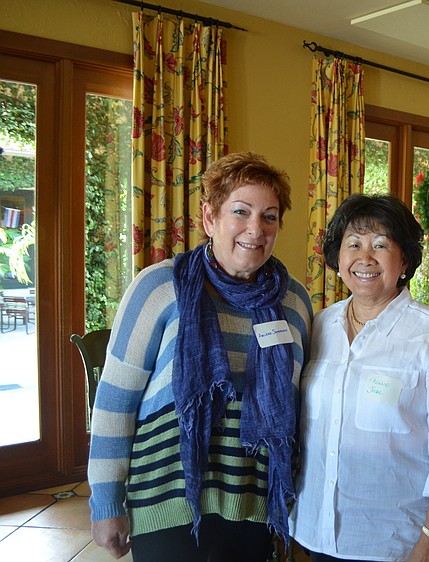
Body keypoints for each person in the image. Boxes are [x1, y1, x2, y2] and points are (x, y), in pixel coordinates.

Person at [87, 152, 312, 561]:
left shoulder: (294, 300)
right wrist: (106, 501)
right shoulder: (159, 287)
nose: (255, 229)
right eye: (240, 212)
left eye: (269, 217)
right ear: (210, 218)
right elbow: (116, 400)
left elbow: (299, 408)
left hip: (252, 505)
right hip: (167, 501)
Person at [289, 194, 429, 562]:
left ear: (404, 260)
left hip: (391, 541)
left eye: (381, 245)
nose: (365, 257)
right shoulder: (319, 325)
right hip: (312, 532)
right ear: (338, 258)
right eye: (353, 244)